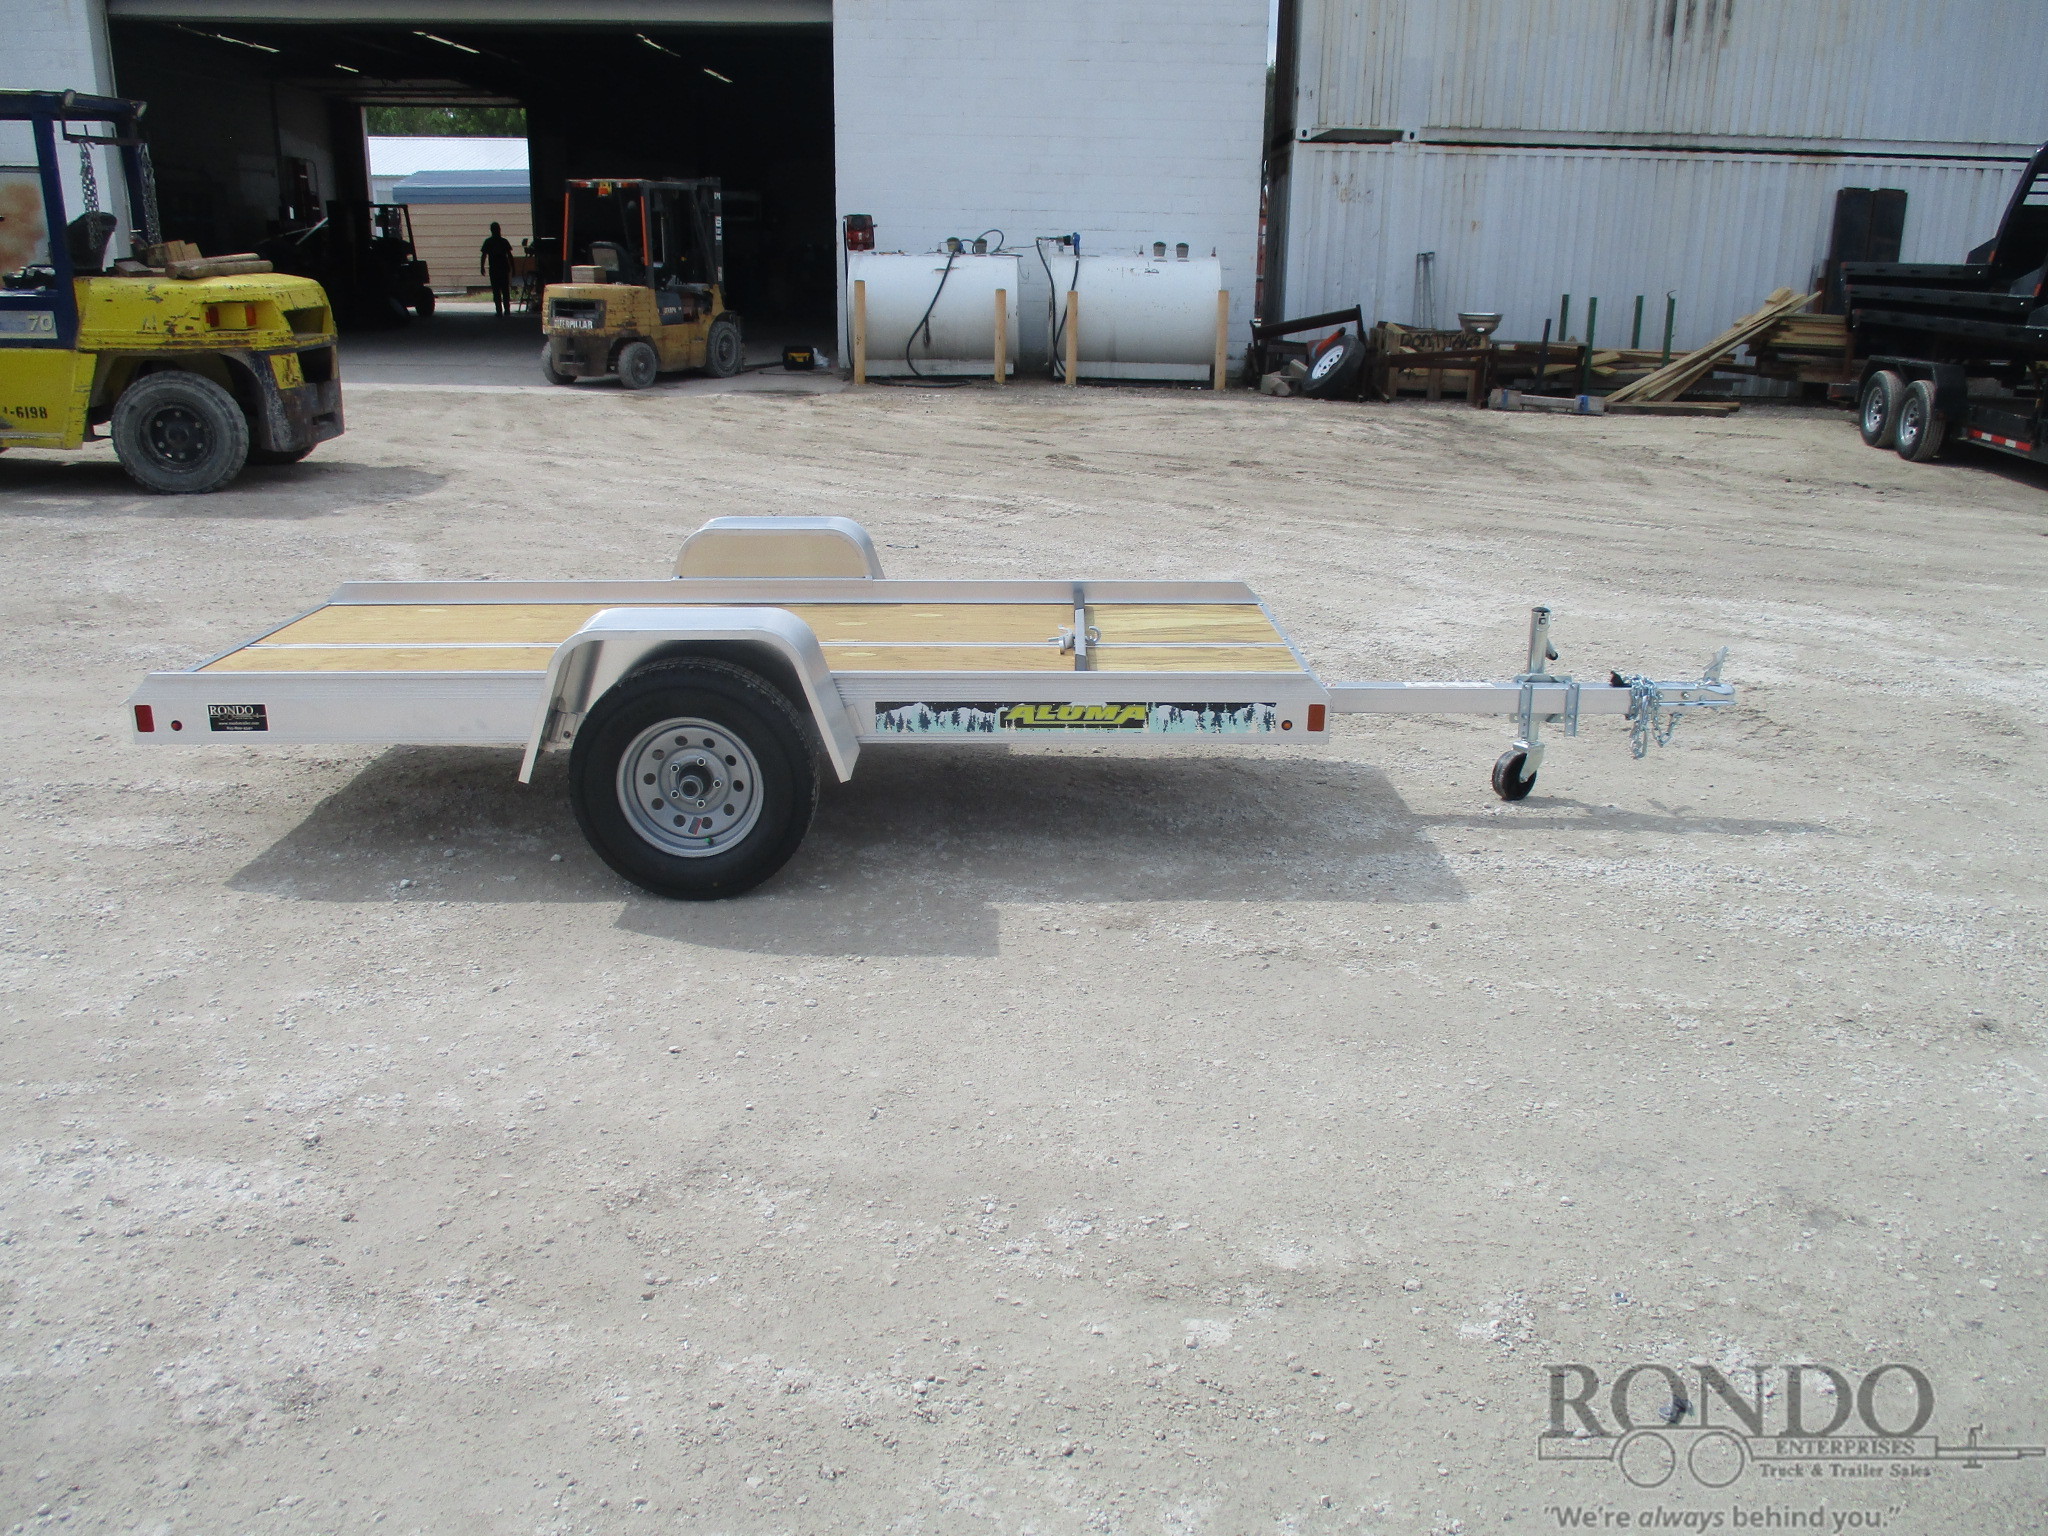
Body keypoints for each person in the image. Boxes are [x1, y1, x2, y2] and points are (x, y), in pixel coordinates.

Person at [480, 222, 514, 317]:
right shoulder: (504, 242)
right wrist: (513, 268)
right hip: (503, 268)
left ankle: (499, 311)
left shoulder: (488, 242)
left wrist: (482, 267)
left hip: (494, 269)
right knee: (505, 290)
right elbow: (510, 256)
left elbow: (484, 255)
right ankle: (507, 310)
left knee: (496, 291)